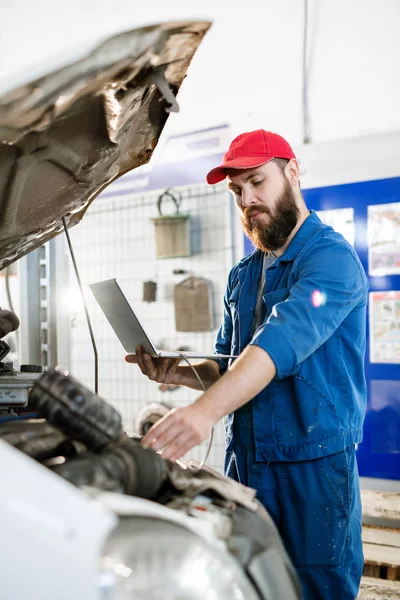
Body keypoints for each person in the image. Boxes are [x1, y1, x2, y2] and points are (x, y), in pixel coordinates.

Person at [126, 129, 369, 600]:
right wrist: (175, 372)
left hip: (313, 471)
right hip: (248, 464)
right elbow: (232, 364)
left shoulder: (330, 260)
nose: (247, 199)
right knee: (250, 585)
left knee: (317, 588)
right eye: (237, 190)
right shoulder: (245, 273)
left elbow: (278, 344)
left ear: (292, 172)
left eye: (257, 182)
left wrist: (204, 413)